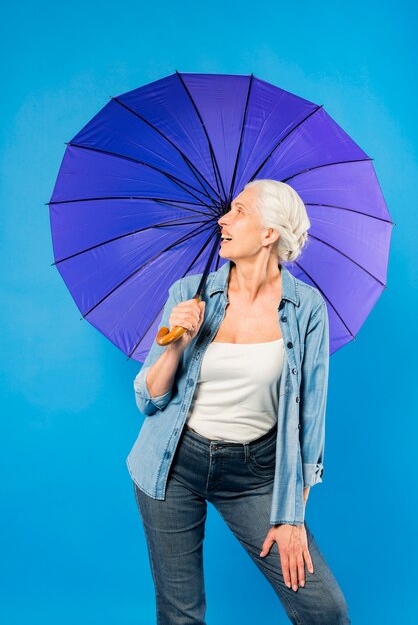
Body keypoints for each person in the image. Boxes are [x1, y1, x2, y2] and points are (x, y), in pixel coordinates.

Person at [126, 179, 351, 624]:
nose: (223, 220)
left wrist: (292, 516)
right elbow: (148, 399)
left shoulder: (307, 310)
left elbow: (311, 419)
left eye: (239, 212)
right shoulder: (189, 293)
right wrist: (175, 344)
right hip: (173, 464)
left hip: (255, 474)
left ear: (270, 233)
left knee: (325, 610)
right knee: (180, 615)